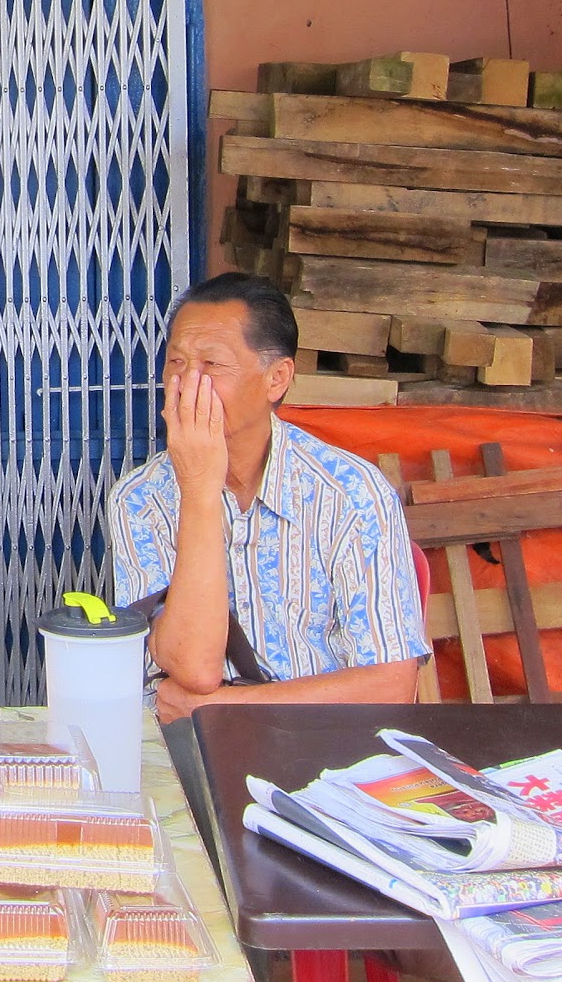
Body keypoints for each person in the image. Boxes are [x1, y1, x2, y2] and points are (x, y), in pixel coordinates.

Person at [108, 272, 428, 723]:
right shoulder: (140, 500)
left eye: (212, 366)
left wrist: (225, 707)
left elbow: (392, 686)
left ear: (276, 378)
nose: (185, 384)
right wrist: (199, 491)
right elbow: (194, 669)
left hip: (325, 743)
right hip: (194, 751)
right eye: (176, 363)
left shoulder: (351, 493)